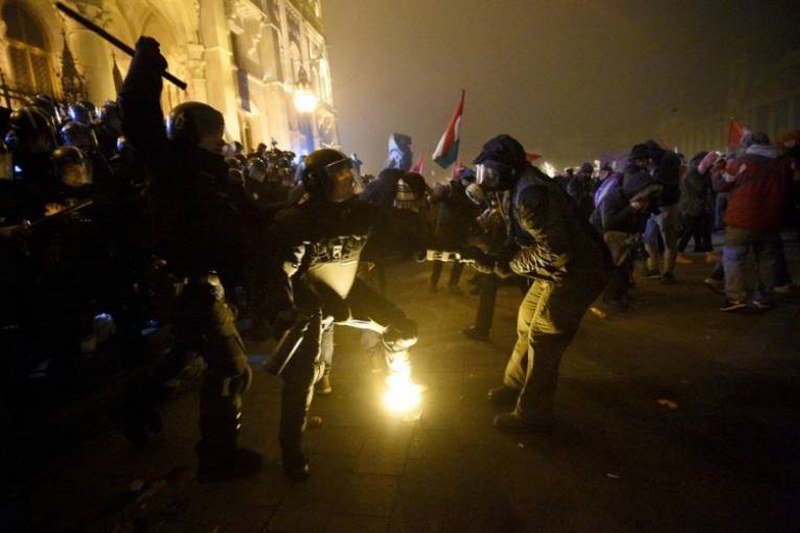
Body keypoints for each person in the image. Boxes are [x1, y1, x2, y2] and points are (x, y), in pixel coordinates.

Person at [119, 36, 264, 481]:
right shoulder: (169, 166)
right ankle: (217, 458)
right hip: (186, 282)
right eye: (211, 135)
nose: (219, 143)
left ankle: (130, 407)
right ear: (191, 135)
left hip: (208, 281)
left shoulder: (215, 174)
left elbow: (243, 221)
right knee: (232, 370)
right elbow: (138, 114)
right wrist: (145, 67)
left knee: (182, 355)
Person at [260, 148, 418, 480]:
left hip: (347, 291)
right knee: (303, 370)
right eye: (339, 178)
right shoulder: (296, 221)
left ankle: (401, 391)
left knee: (402, 330)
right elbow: (278, 273)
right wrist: (284, 312)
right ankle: (292, 448)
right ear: (318, 182)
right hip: (309, 298)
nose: (347, 183)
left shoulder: (362, 213)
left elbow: (393, 237)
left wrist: (417, 245)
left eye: (350, 176)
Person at [466, 134, 611, 431]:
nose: (484, 180)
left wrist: (510, 265)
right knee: (526, 322)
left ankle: (534, 413)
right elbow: (518, 237)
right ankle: (516, 385)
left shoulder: (531, 194)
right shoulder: (513, 188)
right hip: (558, 269)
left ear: (505, 168)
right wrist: (498, 256)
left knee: (545, 337)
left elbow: (554, 250)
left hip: (578, 271)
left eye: (488, 172)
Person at [715, 132, 793, 311]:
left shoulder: (742, 161)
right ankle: (763, 297)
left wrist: (719, 168)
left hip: (741, 218)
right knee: (767, 258)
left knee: (733, 257)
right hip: (771, 220)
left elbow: (721, 184)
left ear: (747, 145)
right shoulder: (783, 163)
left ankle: (736, 298)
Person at [592, 144, 662, 310]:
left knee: (626, 264)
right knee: (617, 266)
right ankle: (612, 298)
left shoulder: (640, 199)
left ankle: (621, 292)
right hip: (605, 232)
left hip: (622, 233)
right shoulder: (613, 198)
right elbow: (609, 224)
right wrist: (631, 209)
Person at [428, 167, 479, 294]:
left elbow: (470, 214)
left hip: (461, 231)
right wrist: (437, 193)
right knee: (439, 257)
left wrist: (477, 228)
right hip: (445, 229)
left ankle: (452, 284)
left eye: (471, 180)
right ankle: (433, 282)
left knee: (460, 258)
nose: (469, 182)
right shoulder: (448, 190)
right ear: (460, 179)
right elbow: (433, 201)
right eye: (467, 180)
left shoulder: (470, 193)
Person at [643, 140, 682, 283]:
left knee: (668, 240)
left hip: (667, 205)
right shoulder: (660, 160)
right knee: (649, 237)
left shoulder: (668, 161)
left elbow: (666, 183)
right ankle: (654, 267)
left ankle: (667, 272)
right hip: (655, 206)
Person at [676, 151, 717, 264]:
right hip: (691, 207)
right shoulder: (692, 172)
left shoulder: (703, 172)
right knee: (688, 231)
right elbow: (699, 187)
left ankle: (710, 253)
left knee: (705, 230)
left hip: (700, 206)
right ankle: (678, 253)